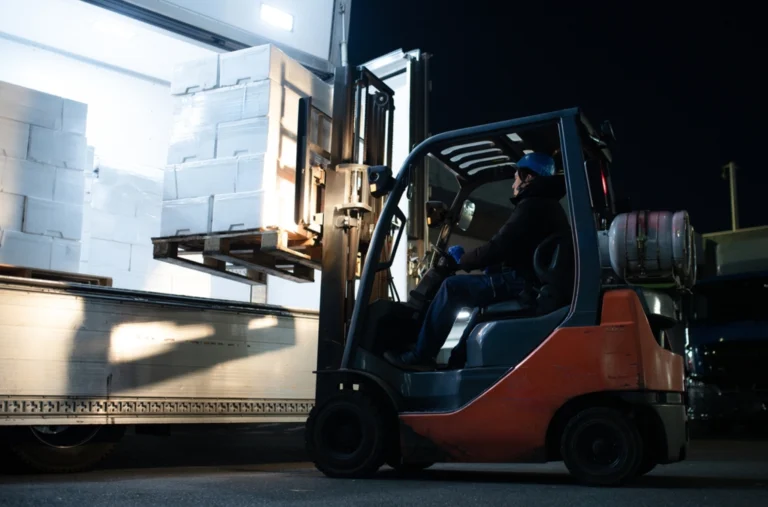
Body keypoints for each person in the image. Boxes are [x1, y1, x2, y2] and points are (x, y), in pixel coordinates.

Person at [384, 152, 571, 371]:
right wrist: (485, 263)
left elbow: (498, 246)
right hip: (530, 280)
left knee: (452, 288)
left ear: (528, 177)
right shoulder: (546, 206)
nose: (513, 185)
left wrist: (463, 260)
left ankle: (420, 355)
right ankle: (457, 361)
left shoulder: (532, 206)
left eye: (516, 178)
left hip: (523, 284)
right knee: (478, 300)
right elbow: (514, 248)